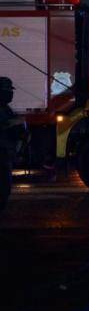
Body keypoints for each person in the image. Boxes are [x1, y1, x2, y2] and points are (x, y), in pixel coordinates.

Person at [0, 77, 25, 212]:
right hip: (2, 154)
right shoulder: (2, 109)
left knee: (5, 189)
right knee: (3, 189)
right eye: (7, 90)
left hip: (6, 154)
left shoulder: (6, 108)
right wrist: (13, 124)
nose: (10, 93)